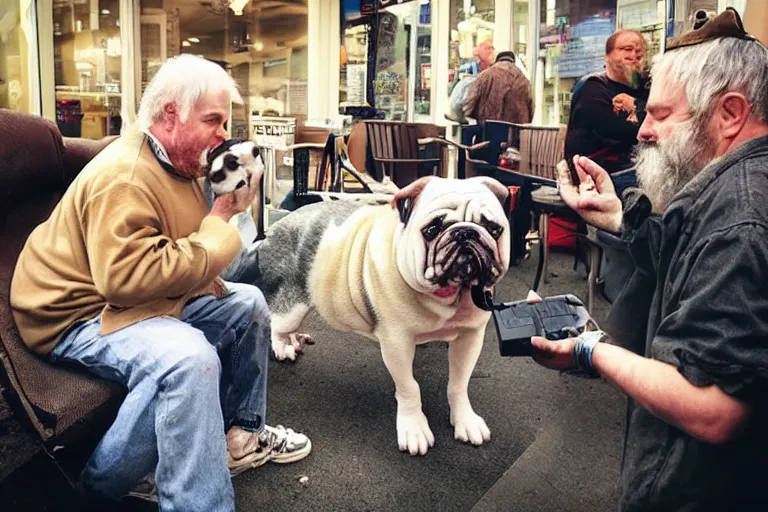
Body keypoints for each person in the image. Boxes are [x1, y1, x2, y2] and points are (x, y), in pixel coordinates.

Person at [10, 54, 311, 510]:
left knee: (247, 303)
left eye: (224, 121)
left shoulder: (178, 163)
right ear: (171, 113)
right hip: (74, 314)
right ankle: (179, 500)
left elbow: (181, 250)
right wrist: (222, 220)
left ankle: (241, 437)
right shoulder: (126, 178)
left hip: (128, 301)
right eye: (212, 119)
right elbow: (126, 280)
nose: (223, 134)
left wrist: (220, 217)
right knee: (187, 360)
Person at [531, 9, 768, 511]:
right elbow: (691, 257)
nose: (641, 129)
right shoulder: (733, 187)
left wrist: (587, 349)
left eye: (660, 114)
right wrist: (620, 217)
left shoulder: (741, 219)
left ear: (729, 113)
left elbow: (713, 409)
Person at [564, 29, 648, 197]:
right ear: (607, 56)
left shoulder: (647, 89)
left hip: (635, 170)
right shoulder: (592, 88)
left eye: (640, 52)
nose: (634, 55)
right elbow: (620, 131)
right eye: (627, 49)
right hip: (599, 176)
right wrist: (643, 113)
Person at [462, 50, 533, 125]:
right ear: (513, 62)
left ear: (496, 61)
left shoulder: (485, 76)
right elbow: (531, 112)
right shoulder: (524, 81)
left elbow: (469, 104)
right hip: (515, 132)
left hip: (488, 130)